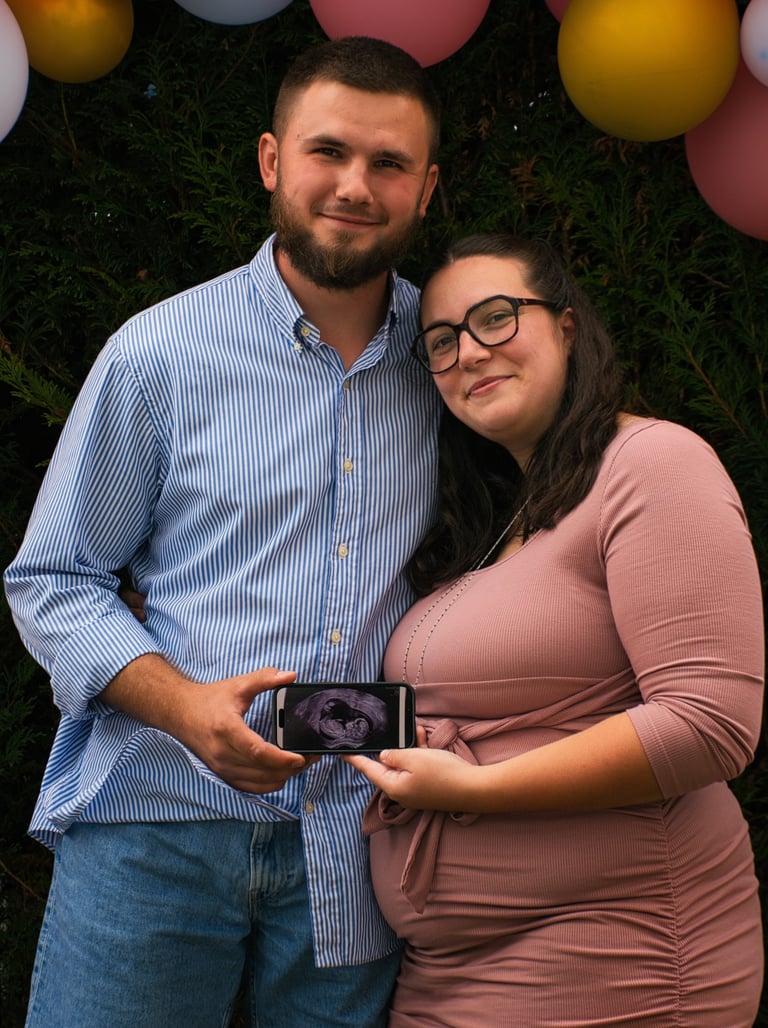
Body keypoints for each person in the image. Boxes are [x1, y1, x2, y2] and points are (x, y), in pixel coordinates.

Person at [4, 36, 441, 1028]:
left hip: (361, 838)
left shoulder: (453, 365)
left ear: (425, 188)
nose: (355, 185)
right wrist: (187, 709)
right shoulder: (159, 353)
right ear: (272, 160)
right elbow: (55, 577)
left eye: (388, 162)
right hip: (158, 822)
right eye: (328, 151)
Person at [346, 233, 765, 1026]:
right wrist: (252, 708)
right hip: (447, 977)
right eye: (442, 341)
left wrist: (477, 789)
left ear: (567, 327)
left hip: (614, 962)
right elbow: (468, 713)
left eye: (495, 317)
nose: (469, 352)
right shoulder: (503, 522)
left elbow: (710, 723)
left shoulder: (652, 463)